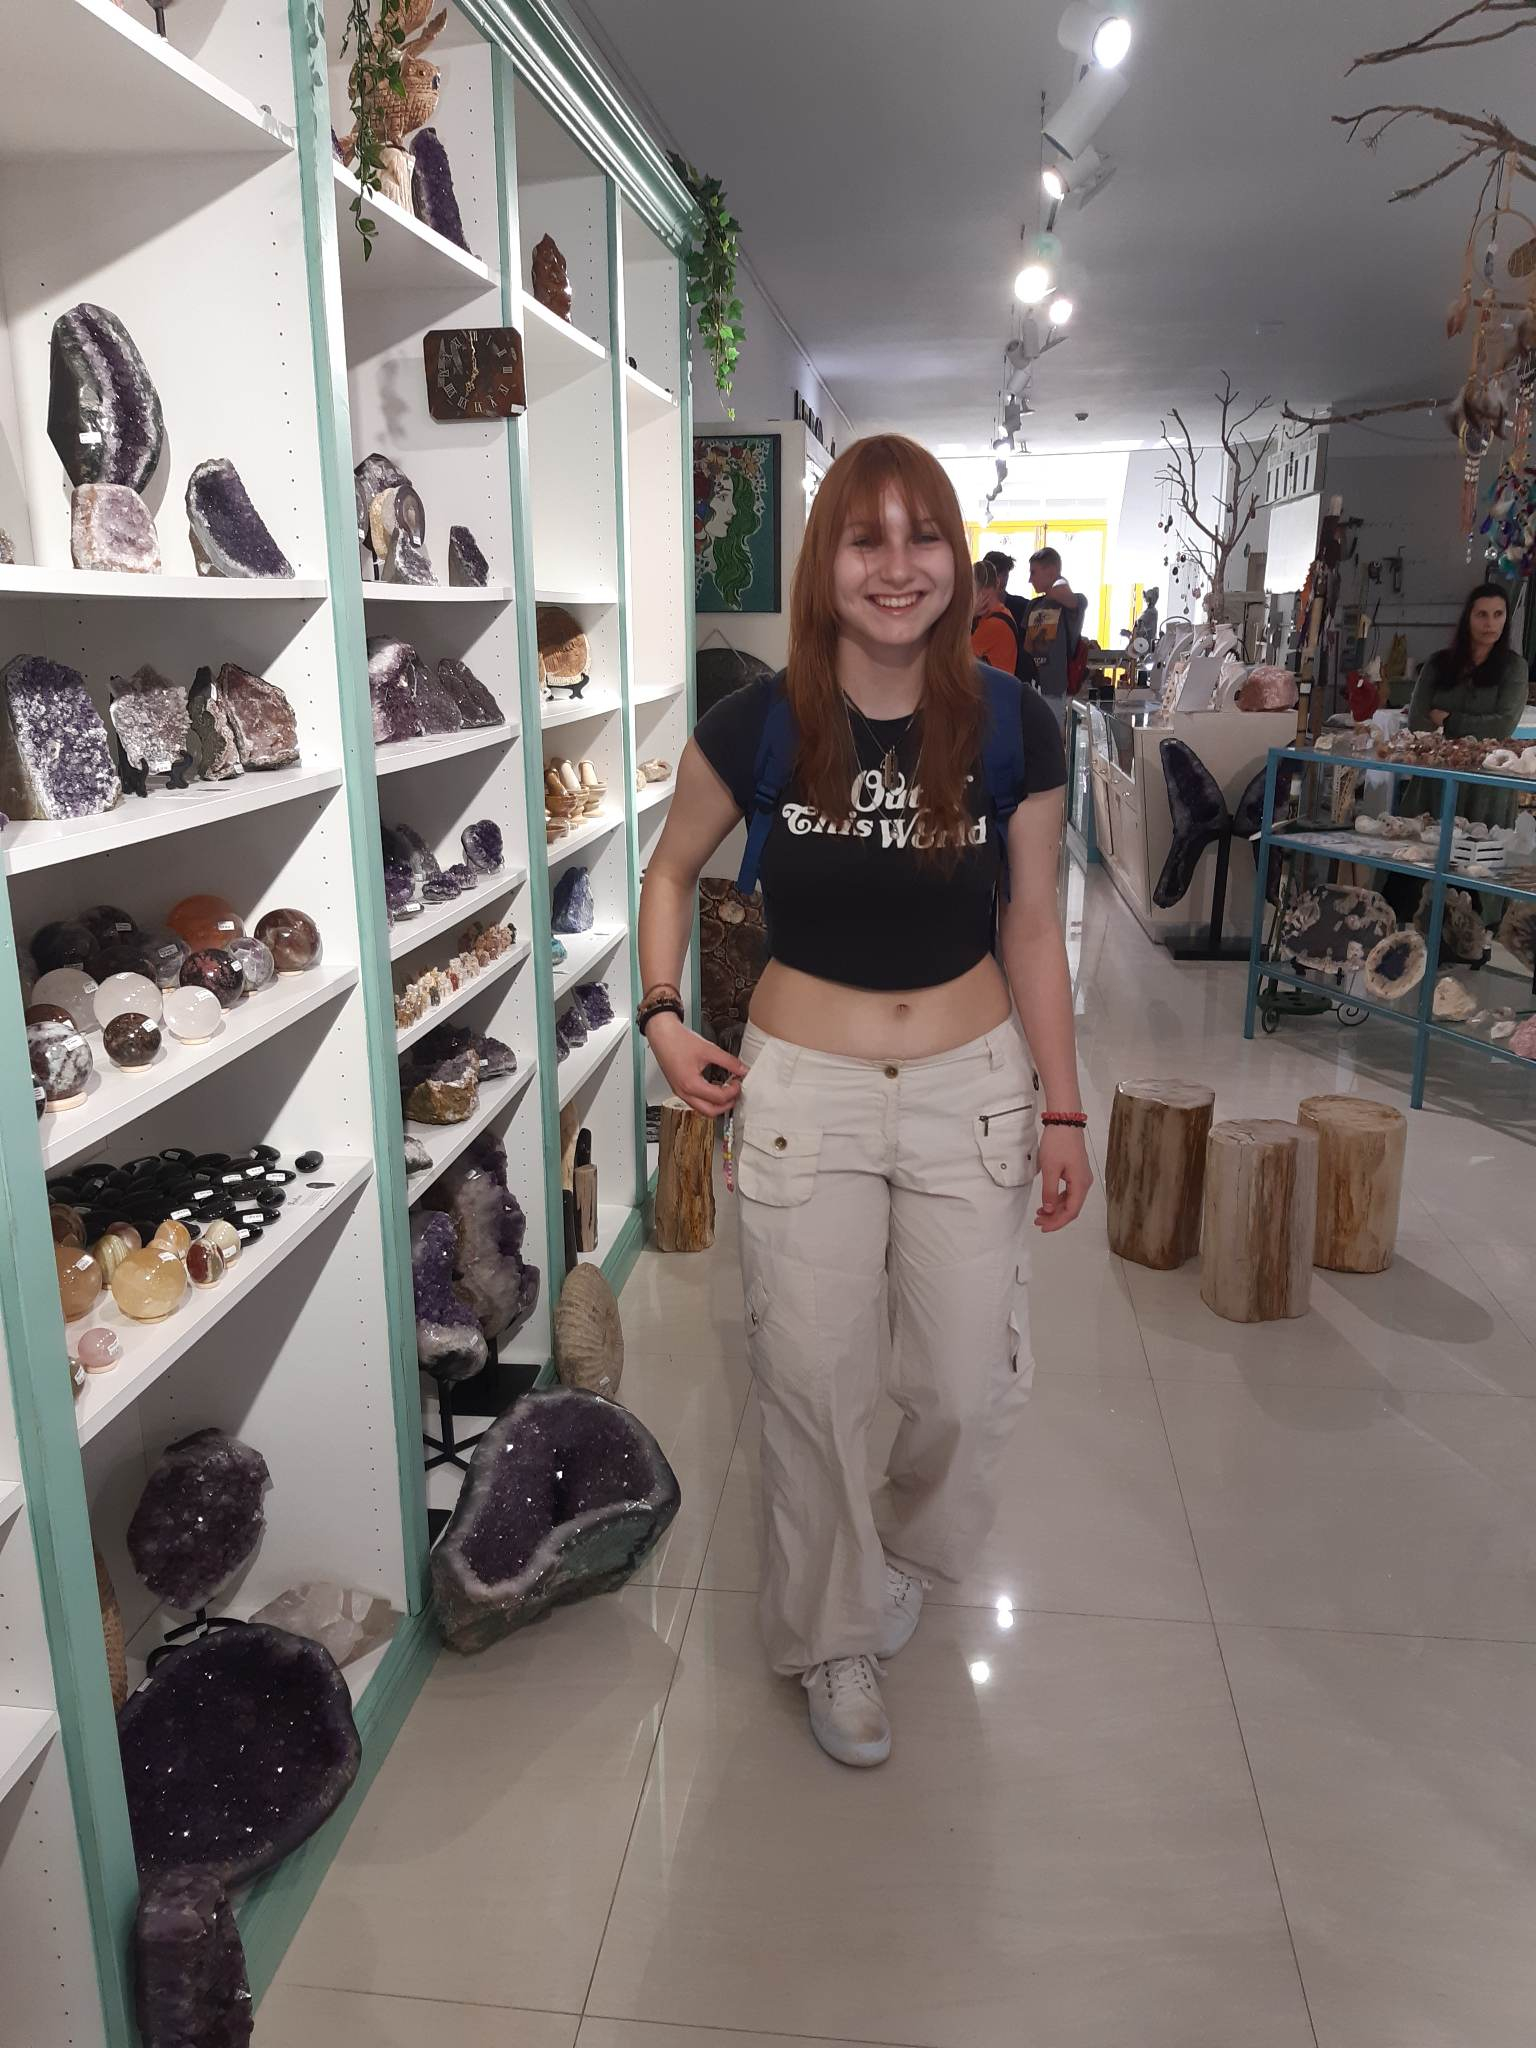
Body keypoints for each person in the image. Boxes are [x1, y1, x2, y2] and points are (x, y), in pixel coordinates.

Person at [636, 434, 1092, 1769]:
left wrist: (1065, 1108)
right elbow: (669, 872)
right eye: (864, 538)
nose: (897, 566)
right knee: (811, 1380)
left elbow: (1033, 927)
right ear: (824, 562)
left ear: (957, 556)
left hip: (973, 1089)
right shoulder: (761, 723)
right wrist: (662, 1015)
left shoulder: (1015, 723)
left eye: (922, 535)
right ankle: (831, 1627)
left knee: (963, 1385)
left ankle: (884, 1553)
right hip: (805, 1094)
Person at [1402, 582, 1528, 829]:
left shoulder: (1514, 668)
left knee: (1478, 847)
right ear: (1468, 617)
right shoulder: (1438, 664)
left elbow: (1502, 725)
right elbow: (1417, 719)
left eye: (1498, 614)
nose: (1490, 623)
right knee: (1421, 845)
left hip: (1487, 785)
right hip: (1436, 778)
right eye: (1482, 614)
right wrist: (1470, 730)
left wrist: (1449, 721)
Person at [1021, 546, 1088, 732]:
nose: (1030, 579)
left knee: (1052, 736)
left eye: (1034, 572)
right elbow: (1027, 646)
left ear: (1050, 571)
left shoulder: (1073, 602)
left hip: (1056, 686)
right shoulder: (1034, 604)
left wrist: (1057, 579)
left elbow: (1065, 595)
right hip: (1033, 683)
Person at [970, 559, 1021, 675]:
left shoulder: (994, 624)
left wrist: (969, 616)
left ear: (983, 592)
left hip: (992, 686)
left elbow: (957, 658)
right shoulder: (1001, 613)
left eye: (972, 590)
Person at [982, 547, 1029, 638]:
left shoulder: (1023, 606)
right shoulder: (975, 609)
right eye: (996, 574)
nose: (1000, 580)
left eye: (1004, 574)